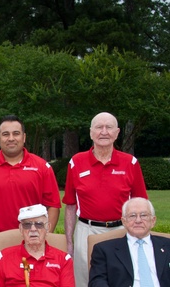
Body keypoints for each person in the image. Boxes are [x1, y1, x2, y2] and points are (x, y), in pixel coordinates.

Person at [63, 112, 148, 287]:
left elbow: (142, 204)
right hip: (86, 231)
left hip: (121, 230)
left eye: (109, 127)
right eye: (99, 127)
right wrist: (69, 242)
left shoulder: (130, 163)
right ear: (91, 132)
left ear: (117, 132)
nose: (104, 132)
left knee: (122, 278)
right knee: (84, 279)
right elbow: (70, 205)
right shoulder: (76, 162)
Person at [0, 115, 61, 249]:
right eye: (5, 134)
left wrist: (45, 236)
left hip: (32, 239)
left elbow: (53, 206)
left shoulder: (42, 167)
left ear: (23, 137)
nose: (11, 138)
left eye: (16, 134)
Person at [89, 198, 170, 287]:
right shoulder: (104, 250)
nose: (138, 220)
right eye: (132, 216)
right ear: (124, 221)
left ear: (153, 221)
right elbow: (97, 282)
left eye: (144, 215)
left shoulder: (167, 246)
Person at [0, 204, 74, 287]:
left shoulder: (63, 260)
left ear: (47, 227)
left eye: (39, 224)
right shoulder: (3, 257)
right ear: (21, 229)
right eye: (27, 225)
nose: (33, 229)